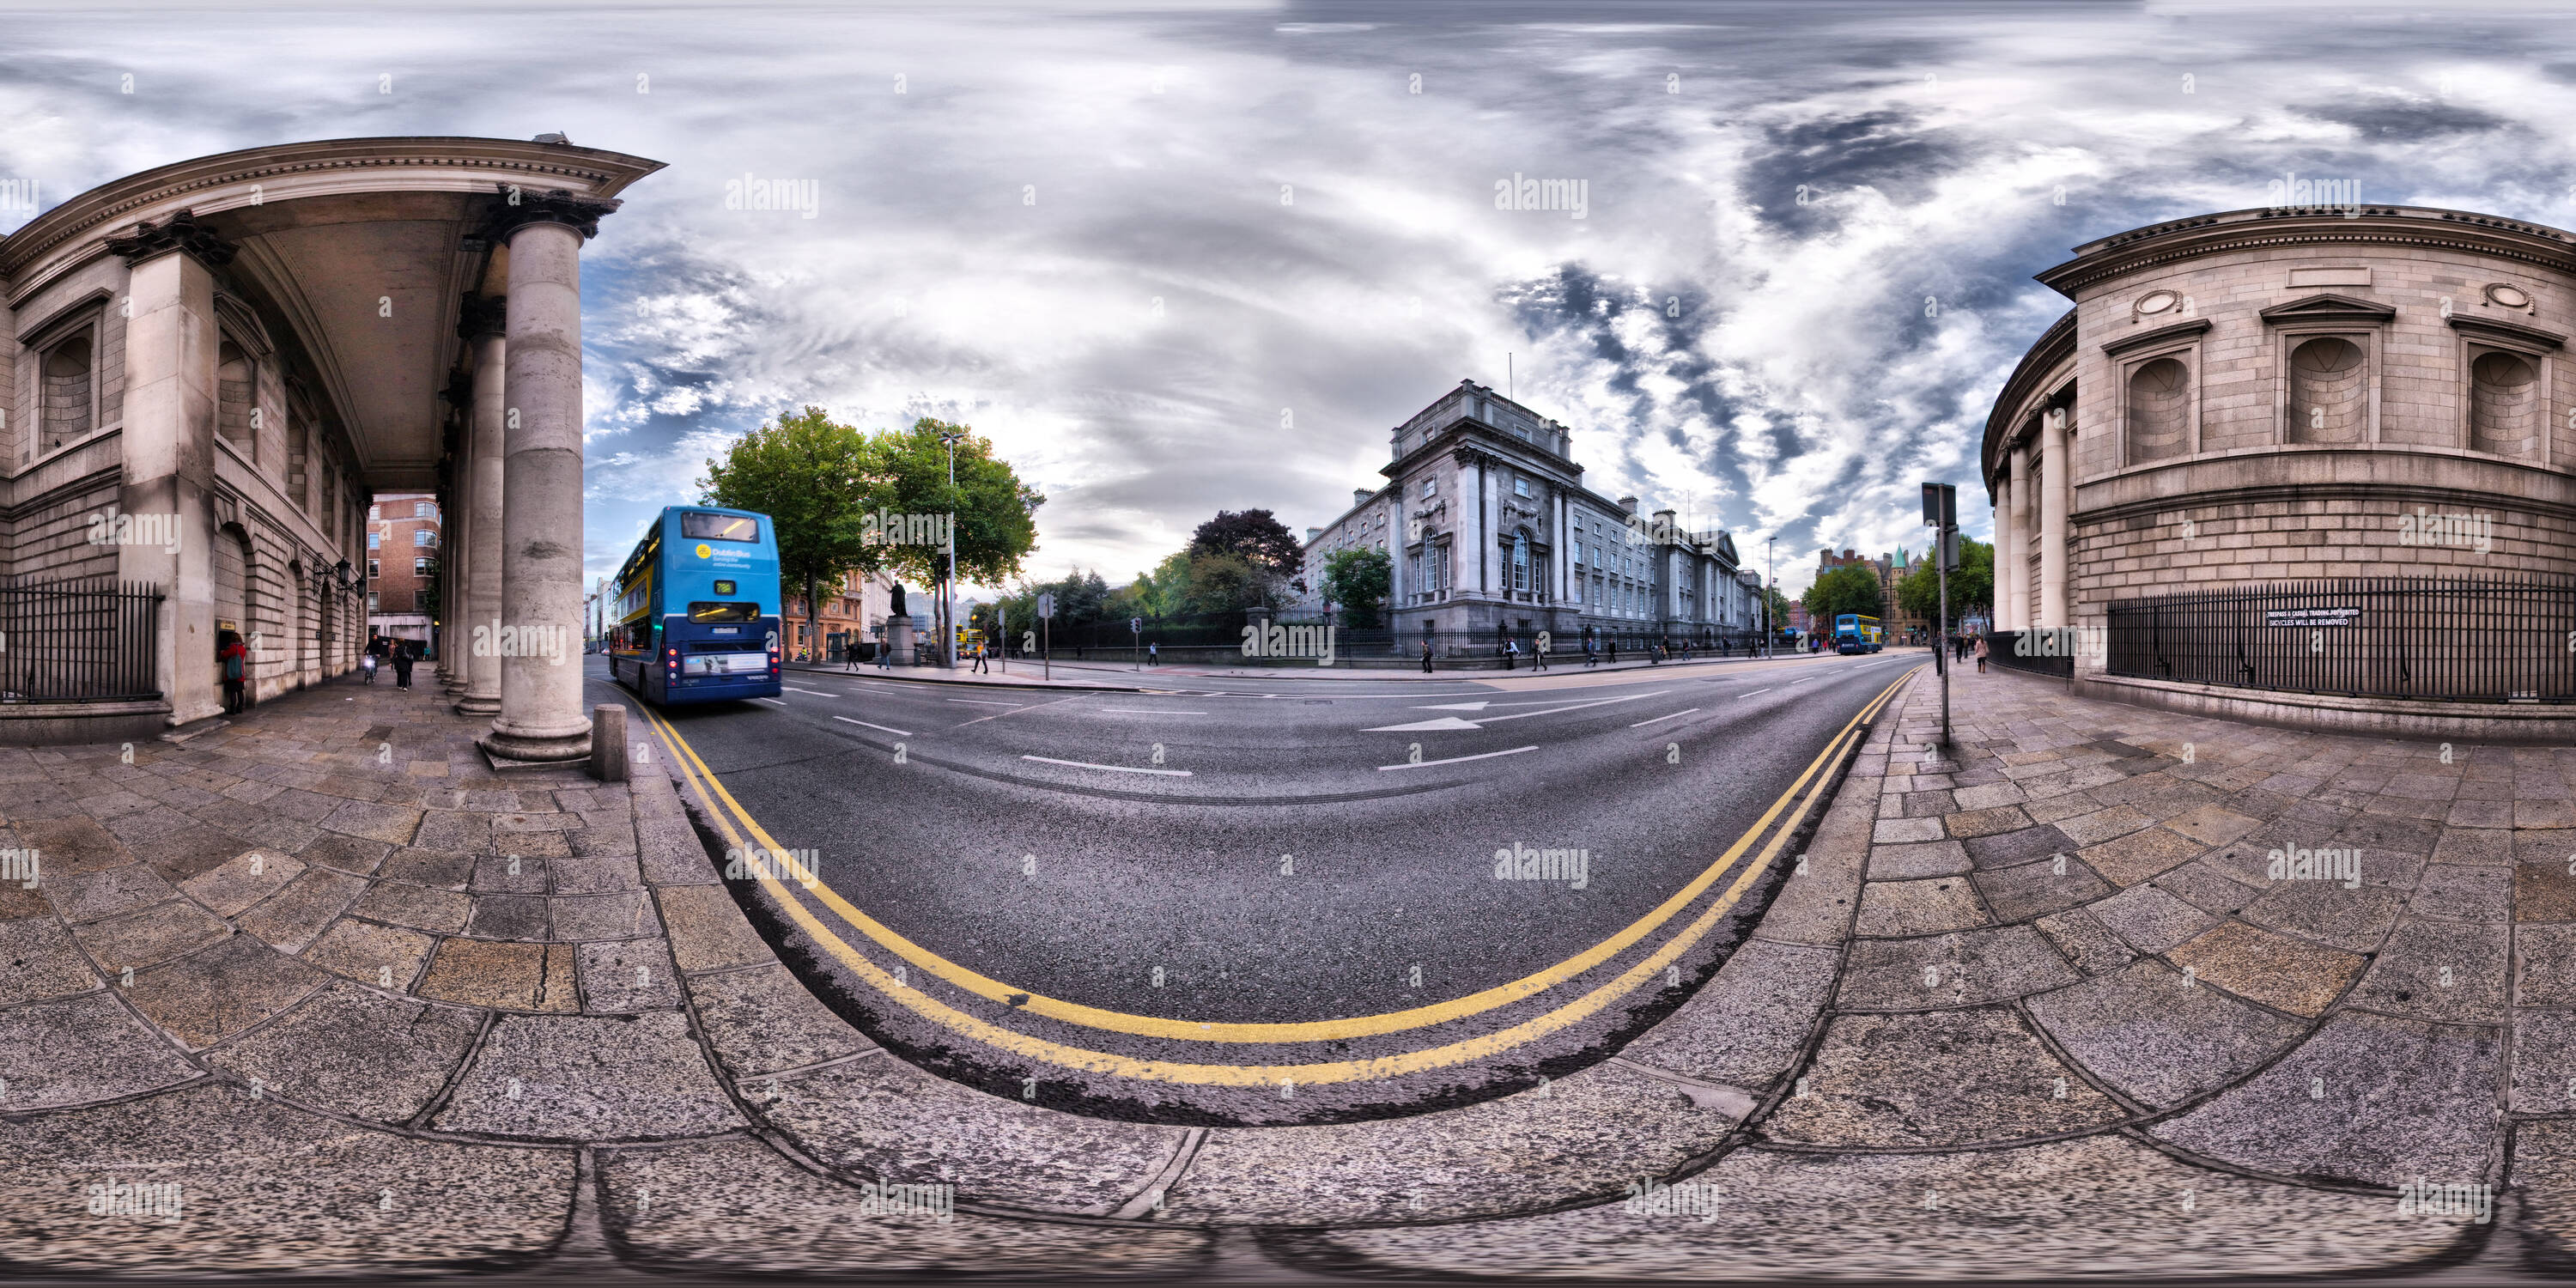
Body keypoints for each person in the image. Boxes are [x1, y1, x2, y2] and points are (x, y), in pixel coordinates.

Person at [217, 629, 248, 714]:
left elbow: (224, 655)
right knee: (240, 691)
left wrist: (222, 652)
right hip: (240, 673)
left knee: (232, 692)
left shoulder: (232, 648)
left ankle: (233, 709)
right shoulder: (243, 648)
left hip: (232, 673)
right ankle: (240, 707)